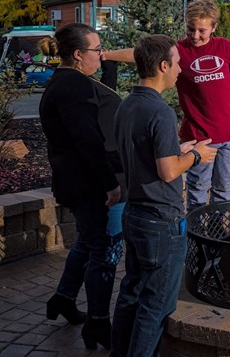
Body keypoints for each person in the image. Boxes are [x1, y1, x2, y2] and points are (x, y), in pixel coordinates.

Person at [103, 0, 230, 212]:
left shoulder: (224, 46)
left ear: (214, 27)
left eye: (202, 31)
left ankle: (218, 237)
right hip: (200, 136)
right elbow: (141, 54)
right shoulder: (178, 50)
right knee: (197, 191)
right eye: (191, 29)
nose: (195, 35)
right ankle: (196, 238)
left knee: (223, 191)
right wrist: (106, 55)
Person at [110, 35, 217, 357]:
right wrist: (197, 156)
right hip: (161, 221)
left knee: (132, 292)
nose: (181, 69)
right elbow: (168, 171)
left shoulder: (127, 104)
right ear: (162, 65)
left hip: (135, 215)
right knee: (156, 304)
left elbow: (145, 154)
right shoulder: (161, 111)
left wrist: (178, 149)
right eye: (178, 62)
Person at [39, 23, 125, 350]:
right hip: (86, 185)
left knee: (88, 244)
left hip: (76, 181)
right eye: (96, 50)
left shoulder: (71, 82)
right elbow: (87, 139)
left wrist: (110, 62)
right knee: (103, 252)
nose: (100, 54)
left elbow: (104, 102)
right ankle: (99, 324)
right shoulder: (73, 88)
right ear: (78, 55)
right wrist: (110, 184)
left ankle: (62, 298)